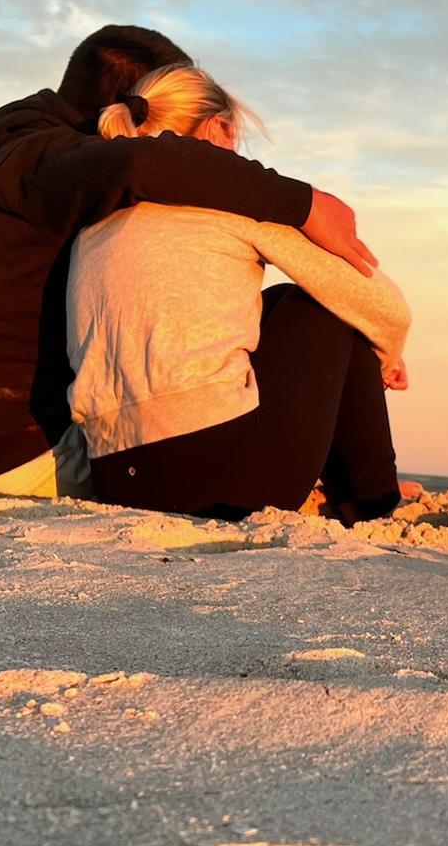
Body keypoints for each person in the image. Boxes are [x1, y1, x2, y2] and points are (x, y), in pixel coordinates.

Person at [0, 25, 375, 497]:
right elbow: (147, 164)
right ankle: (366, 491)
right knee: (316, 306)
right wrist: (306, 203)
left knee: (267, 312)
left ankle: (340, 474)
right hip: (20, 461)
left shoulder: (41, 160)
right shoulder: (48, 159)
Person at [67, 64, 410, 524]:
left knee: (275, 306)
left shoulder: (95, 223)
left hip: (115, 477)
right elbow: (386, 307)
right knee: (323, 303)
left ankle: (359, 491)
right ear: (216, 130)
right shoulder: (238, 198)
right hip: (219, 480)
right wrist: (387, 355)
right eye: (235, 140)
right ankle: (373, 501)